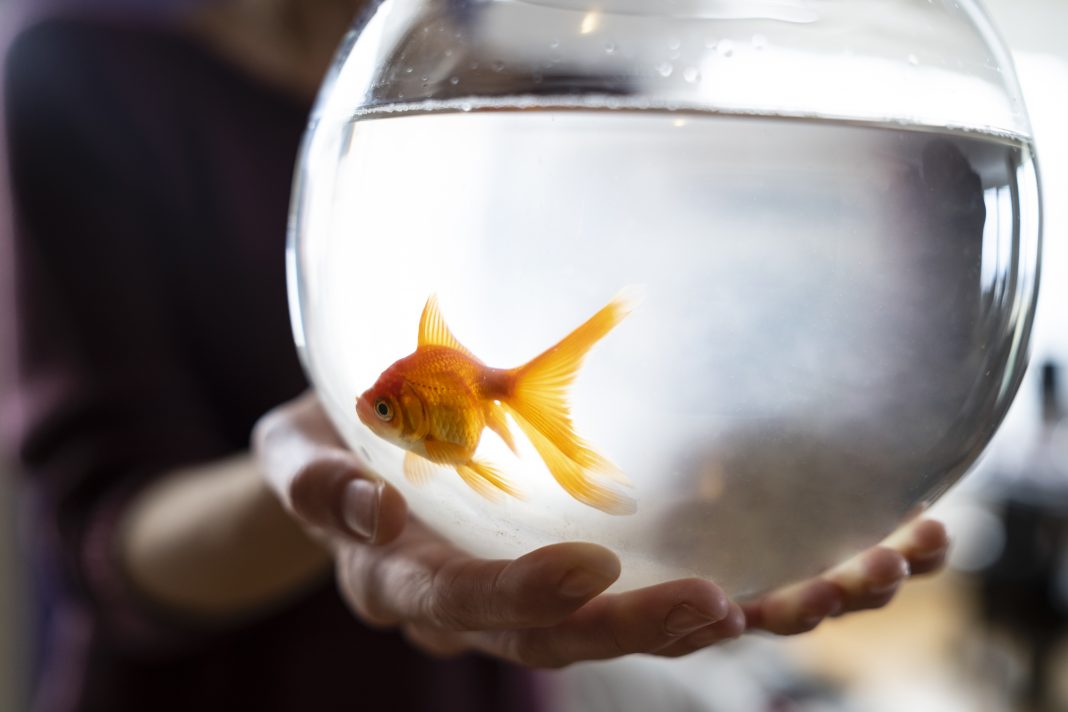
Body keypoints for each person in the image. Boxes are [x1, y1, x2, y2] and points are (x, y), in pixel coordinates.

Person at [0, 0, 950, 710]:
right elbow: (107, 545)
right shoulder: (78, 74)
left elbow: (673, 392)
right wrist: (343, 475)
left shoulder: (582, 102)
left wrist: (746, 488)